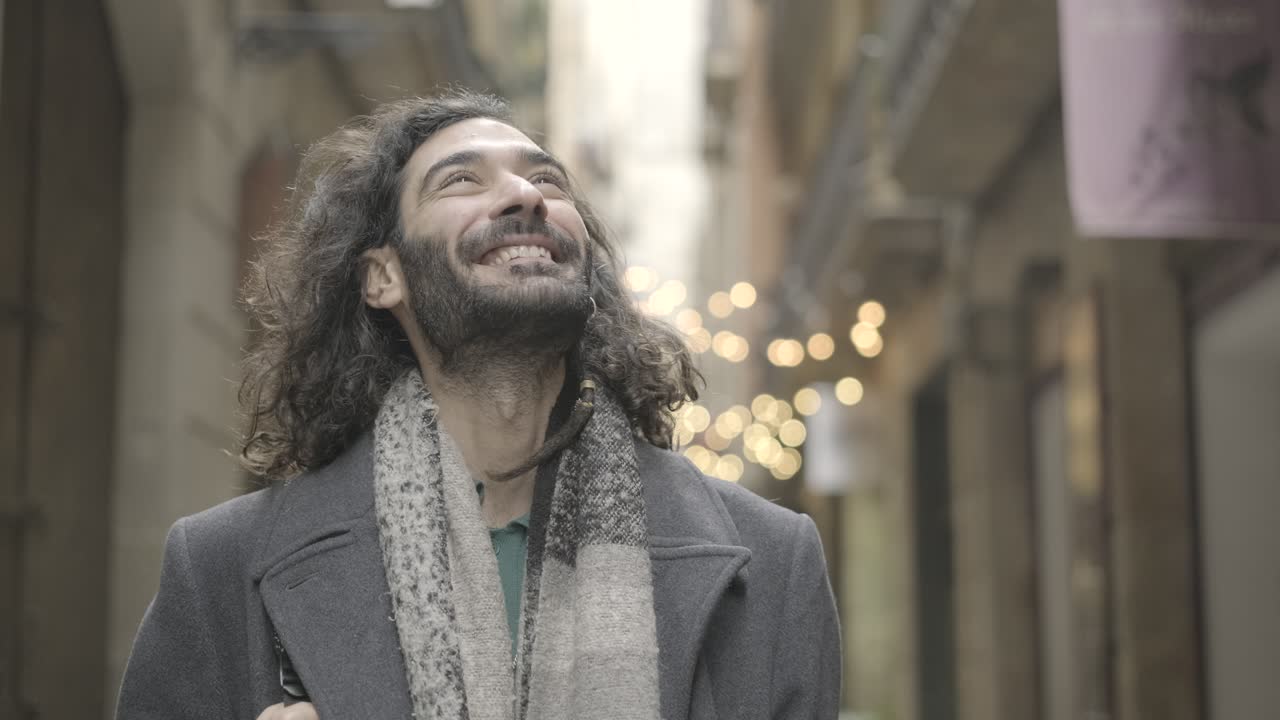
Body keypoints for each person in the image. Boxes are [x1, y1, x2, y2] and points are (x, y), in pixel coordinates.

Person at [115, 90, 840, 720]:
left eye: (547, 180)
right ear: (383, 277)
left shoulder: (775, 564)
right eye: (461, 180)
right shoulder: (222, 569)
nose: (526, 196)